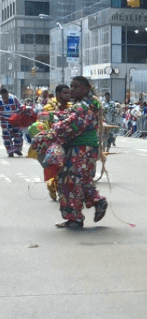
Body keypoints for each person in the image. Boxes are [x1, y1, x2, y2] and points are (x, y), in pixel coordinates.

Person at [30, 76, 108, 229]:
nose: (72, 90)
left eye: (75, 87)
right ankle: (98, 202)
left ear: (86, 88)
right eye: (71, 86)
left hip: (79, 148)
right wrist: (52, 116)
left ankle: (74, 218)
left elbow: (72, 125)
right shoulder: (87, 103)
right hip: (87, 148)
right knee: (83, 180)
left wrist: (48, 135)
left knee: (69, 181)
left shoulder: (83, 106)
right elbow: (69, 117)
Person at [1, 86, 24, 156]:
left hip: (14, 120)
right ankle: (10, 151)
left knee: (18, 135)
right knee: (6, 136)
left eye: (6, 96)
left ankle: (17, 149)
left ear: (7, 94)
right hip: (4, 120)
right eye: (3, 96)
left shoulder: (14, 98)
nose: (5, 98)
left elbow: (20, 107)